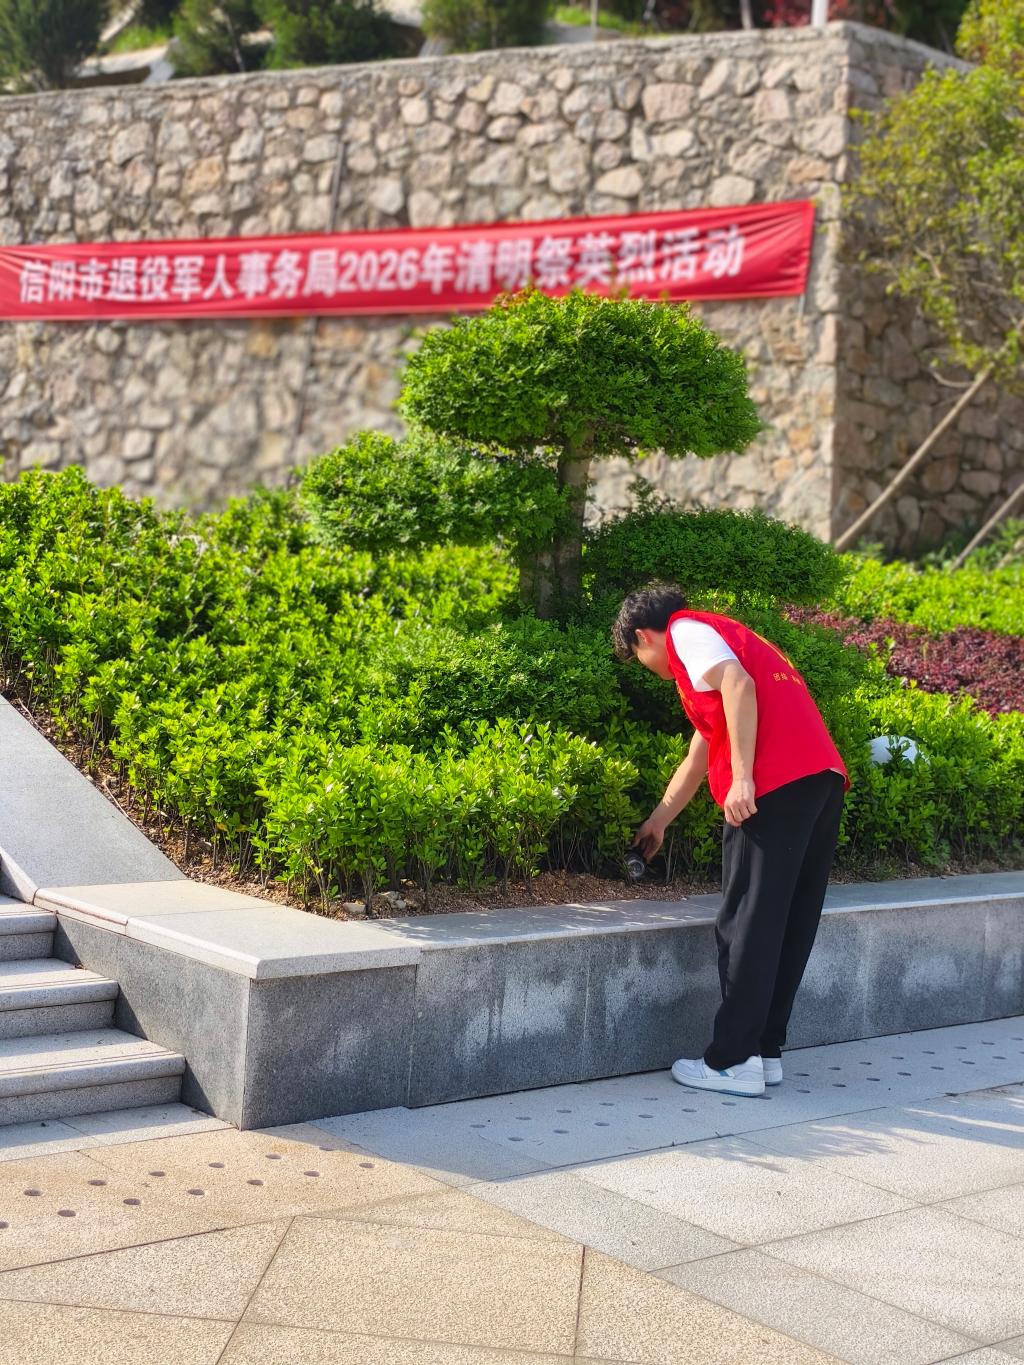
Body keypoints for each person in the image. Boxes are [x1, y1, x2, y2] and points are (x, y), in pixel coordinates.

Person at [612, 582, 849, 1099]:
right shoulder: (729, 638)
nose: (649, 667)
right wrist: (659, 820)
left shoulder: (685, 632)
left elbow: (739, 685)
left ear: (643, 636)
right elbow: (701, 750)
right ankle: (764, 1051)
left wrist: (743, 779)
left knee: (745, 921)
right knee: (786, 921)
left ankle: (731, 1061)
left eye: (638, 656)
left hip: (775, 785)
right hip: (820, 779)